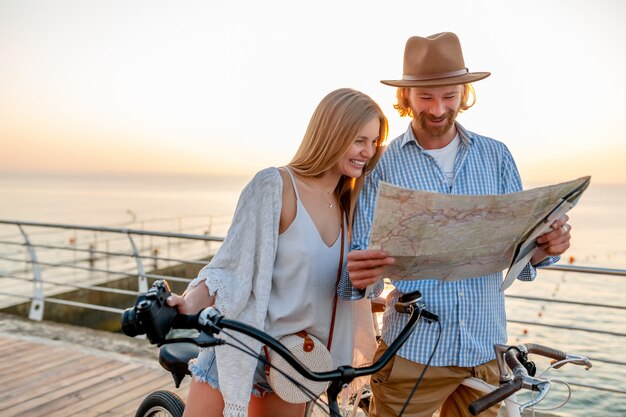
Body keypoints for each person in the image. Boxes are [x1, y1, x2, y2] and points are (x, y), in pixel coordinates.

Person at [340, 33, 573, 417]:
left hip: (485, 348)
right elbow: (360, 274)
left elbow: (521, 253)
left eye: (448, 96)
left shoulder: (496, 156)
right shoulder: (380, 165)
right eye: (426, 98)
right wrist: (361, 276)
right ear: (406, 98)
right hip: (412, 353)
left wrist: (545, 248)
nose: (437, 109)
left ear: (464, 93)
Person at [166, 87, 387, 417]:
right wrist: (187, 304)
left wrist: (372, 282)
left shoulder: (350, 207)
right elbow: (228, 268)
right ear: (332, 133)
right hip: (243, 352)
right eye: (359, 139)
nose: (368, 151)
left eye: (374, 141)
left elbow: (346, 288)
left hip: (298, 364)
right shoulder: (276, 186)